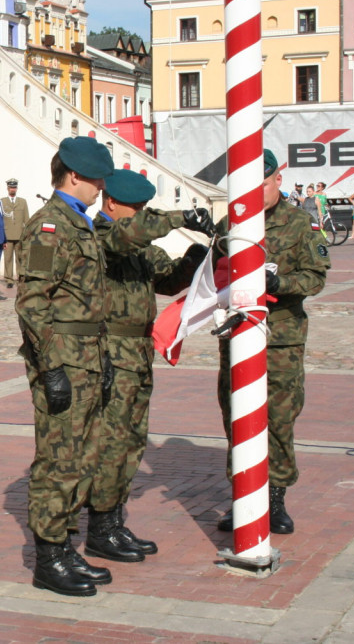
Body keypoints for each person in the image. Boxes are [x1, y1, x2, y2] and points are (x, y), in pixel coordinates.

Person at [16, 136, 213, 597]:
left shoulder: (77, 225)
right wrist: (50, 369)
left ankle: (69, 547)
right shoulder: (50, 226)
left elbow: (100, 303)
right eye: (98, 181)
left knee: (84, 455)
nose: (100, 188)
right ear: (75, 176)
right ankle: (51, 555)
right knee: (59, 458)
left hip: (92, 356)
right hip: (65, 358)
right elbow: (32, 304)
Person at [83, 170, 206, 564]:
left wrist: (196, 259)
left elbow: (166, 279)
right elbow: (128, 237)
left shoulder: (135, 243)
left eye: (144, 210)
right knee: (111, 444)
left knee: (132, 442)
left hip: (137, 353)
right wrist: (179, 218)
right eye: (135, 208)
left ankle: (114, 522)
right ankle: (101, 528)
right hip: (112, 353)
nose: (140, 215)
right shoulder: (102, 236)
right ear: (111, 203)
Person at [215, 149, 331, 535]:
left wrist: (281, 285)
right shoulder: (231, 223)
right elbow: (214, 271)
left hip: (280, 340)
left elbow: (315, 277)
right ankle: (244, 496)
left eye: (262, 184)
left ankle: (275, 499)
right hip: (237, 337)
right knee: (238, 421)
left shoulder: (300, 224)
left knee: (278, 420)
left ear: (277, 180)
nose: (255, 192)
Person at [0, 178, 29, 289]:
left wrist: (27, 234)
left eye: (14, 187)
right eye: (11, 187)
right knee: (8, 258)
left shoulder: (22, 201)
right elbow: (0, 219)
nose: (13, 189)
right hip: (7, 235)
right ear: (7, 188)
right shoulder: (2, 202)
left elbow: (26, 219)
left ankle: (20, 277)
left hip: (20, 234)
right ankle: (9, 279)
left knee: (19, 258)